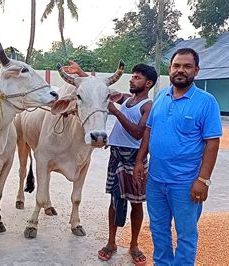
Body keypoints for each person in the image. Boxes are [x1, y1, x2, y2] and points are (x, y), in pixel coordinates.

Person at [63, 61, 157, 265]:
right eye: (132, 76)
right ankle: (111, 242)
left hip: (135, 158)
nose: (132, 79)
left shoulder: (147, 106)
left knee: (136, 203)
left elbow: (139, 132)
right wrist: (81, 73)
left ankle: (134, 245)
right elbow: (98, 89)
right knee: (114, 200)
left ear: (148, 83)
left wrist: (115, 111)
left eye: (137, 77)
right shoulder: (126, 99)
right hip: (116, 155)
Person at [133, 48, 222, 265]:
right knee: (159, 231)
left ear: (196, 70)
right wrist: (139, 161)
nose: (180, 70)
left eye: (187, 66)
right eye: (176, 66)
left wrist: (203, 180)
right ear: (170, 69)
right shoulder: (162, 96)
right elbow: (149, 130)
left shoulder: (206, 102)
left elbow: (212, 142)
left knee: (186, 235)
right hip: (155, 180)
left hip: (185, 184)